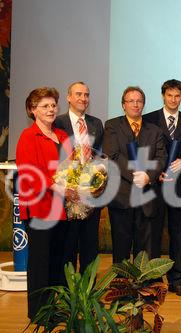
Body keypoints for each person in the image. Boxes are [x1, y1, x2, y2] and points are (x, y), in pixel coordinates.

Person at [16, 87, 73, 319]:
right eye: (45, 106)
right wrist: (58, 186)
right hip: (40, 210)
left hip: (61, 209)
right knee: (40, 264)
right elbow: (30, 173)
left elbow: (71, 168)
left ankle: (54, 309)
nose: (51, 110)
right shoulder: (28, 137)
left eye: (53, 105)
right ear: (32, 110)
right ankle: (38, 312)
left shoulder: (61, 135)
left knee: (56, 262)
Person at [102, 86, 165, 263]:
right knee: (121, 249)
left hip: (147, 197)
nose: (135, 104)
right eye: (131, 101)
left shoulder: (154, 130)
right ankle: (122, 288)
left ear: (143, 104)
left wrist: (148, 177)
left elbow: (161, 158)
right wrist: (136, 175)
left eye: (139, 101)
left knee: (144, 252)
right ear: (123, 105)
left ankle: (143, 288)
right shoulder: (112, 126)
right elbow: (112, 156)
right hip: (121, 198)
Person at [143, 79, 181, 296]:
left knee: (176, 232)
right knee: (153, 233)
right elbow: (143, 153)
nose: (173, 99)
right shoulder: (149, 120)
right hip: (155, 186)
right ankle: (153, 279)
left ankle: (177, 279)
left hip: (178, 187)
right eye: (169, 95)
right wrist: (156, 172)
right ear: (163, 96)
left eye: (177, 96)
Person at [53, 81, 104, 274]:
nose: (83, 98)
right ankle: (68, 291)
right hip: (67, 195)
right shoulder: (58, 122)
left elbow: (100, 157)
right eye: (78, 94)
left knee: (90, 245)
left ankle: (88, 291)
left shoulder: (96, 123)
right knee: (68, 245)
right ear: (68, 97)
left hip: (91, 195)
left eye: (86, 95)